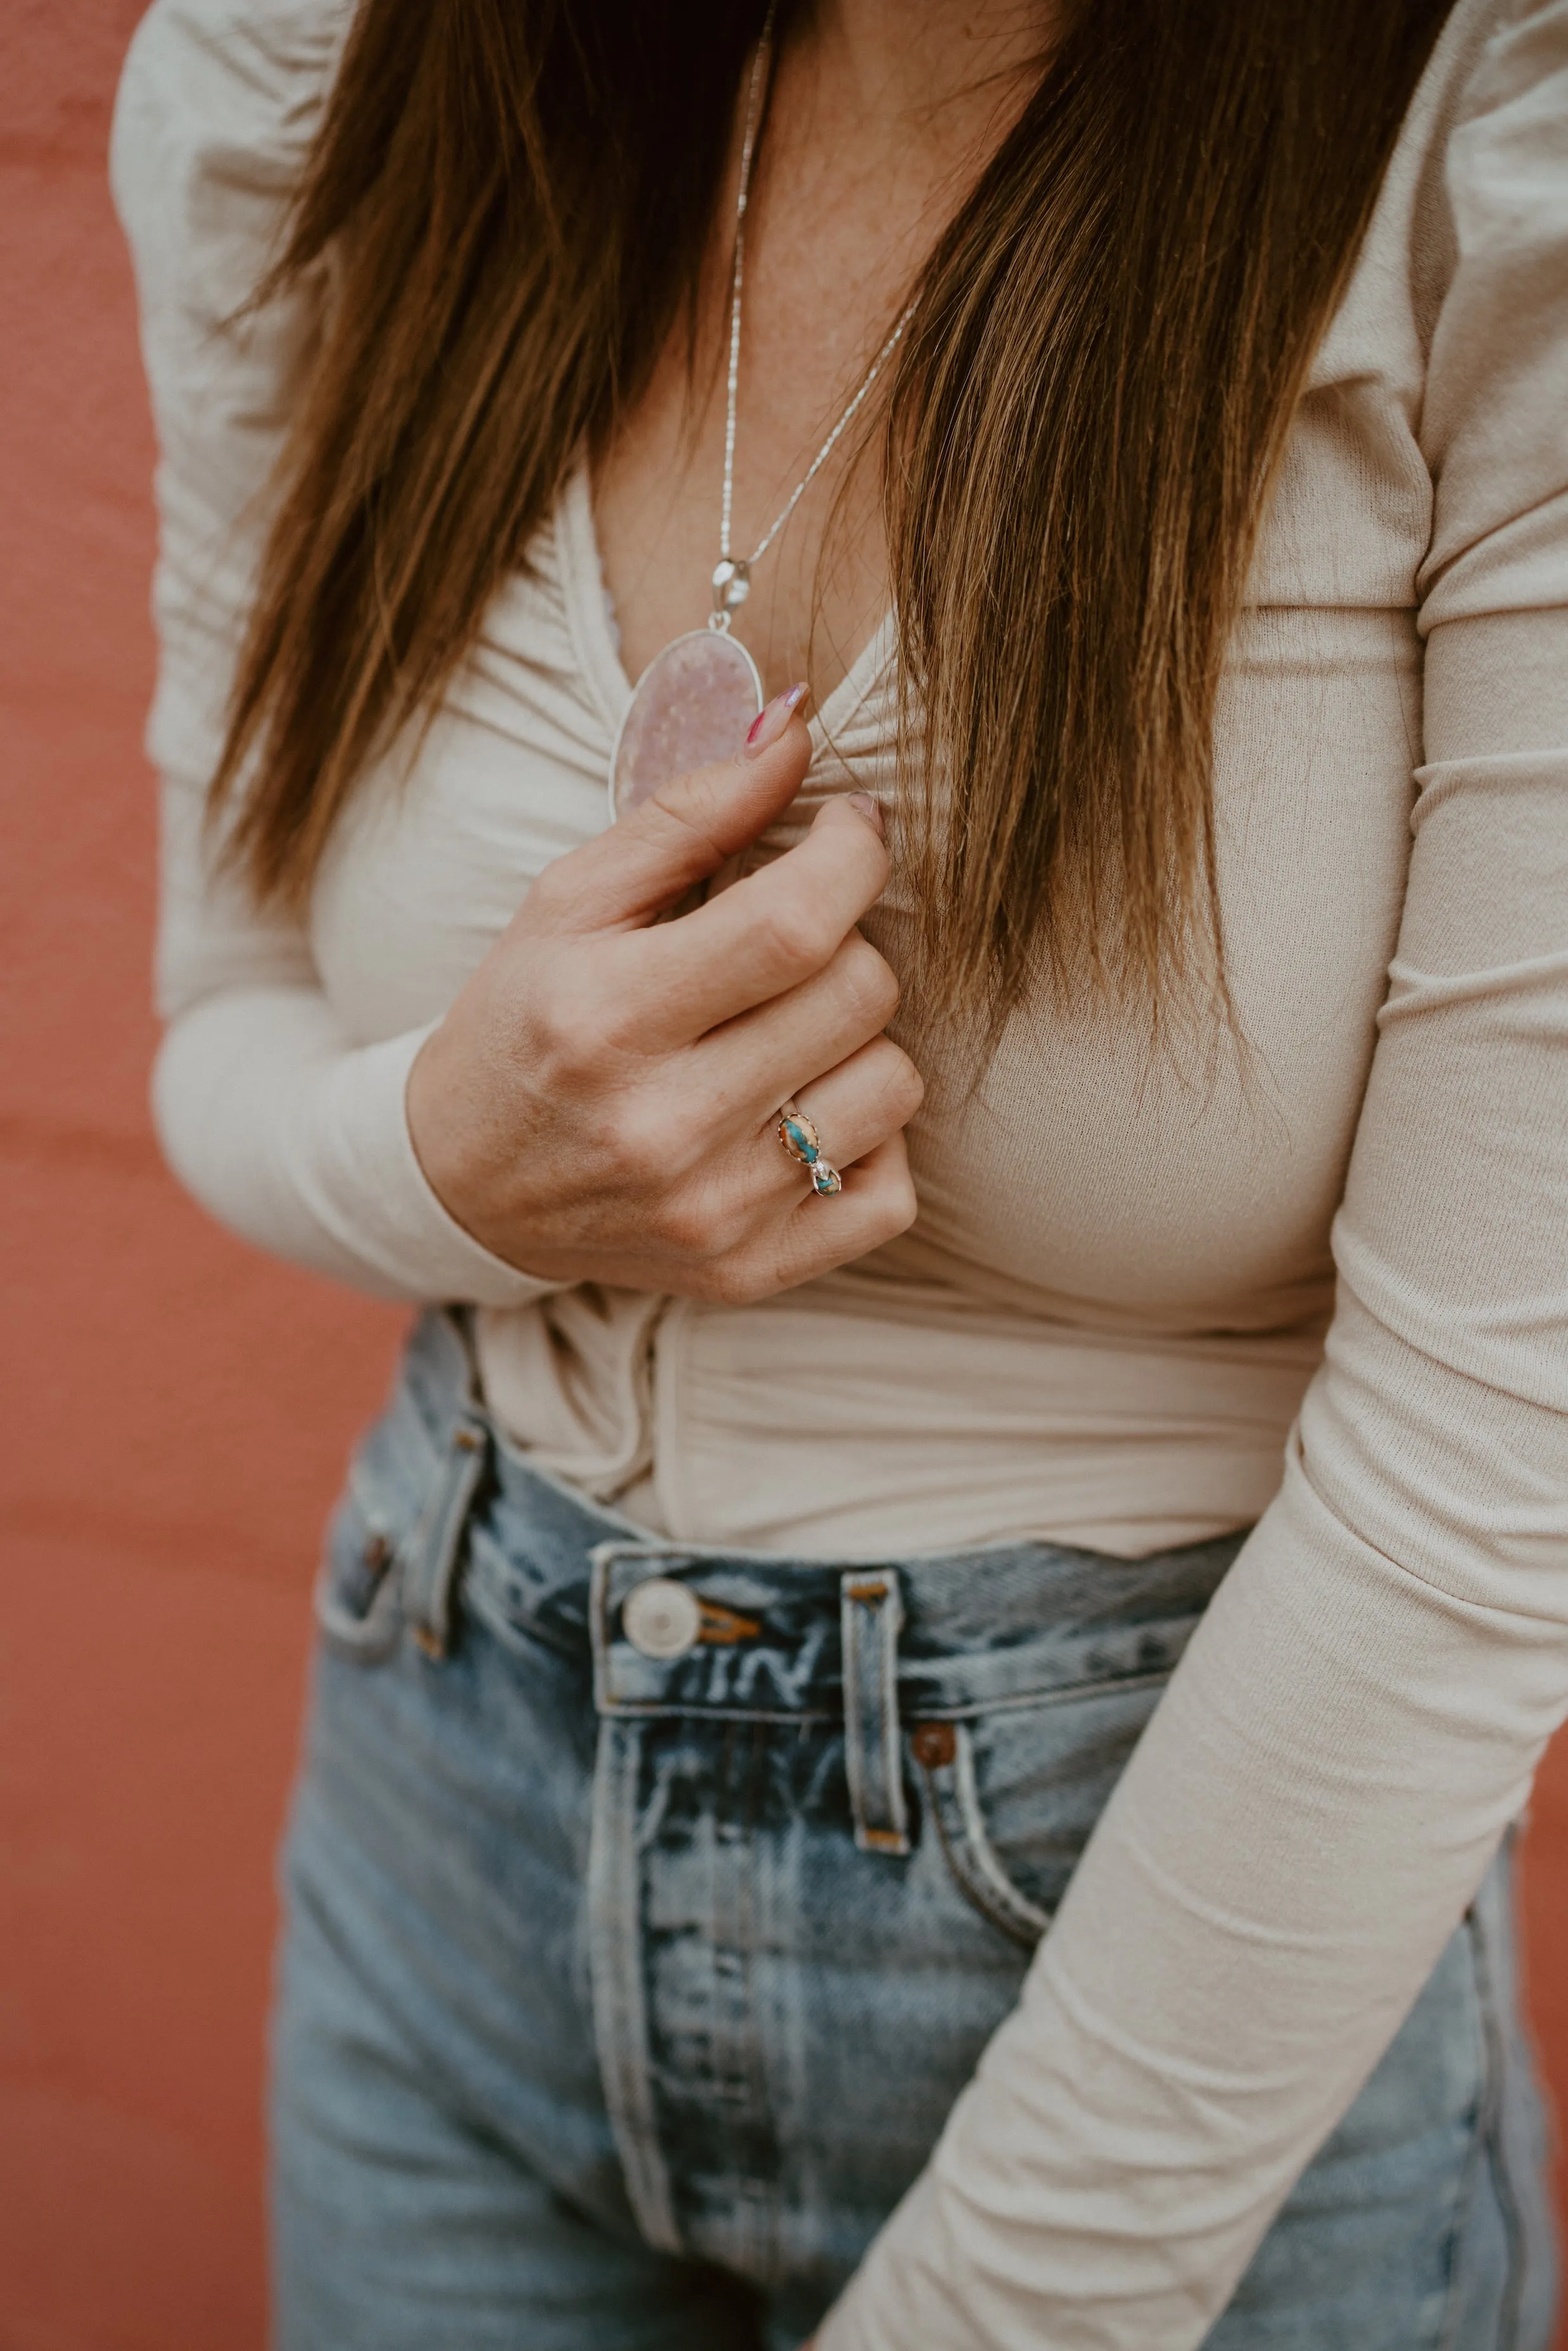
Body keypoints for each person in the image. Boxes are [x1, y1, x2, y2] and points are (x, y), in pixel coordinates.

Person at [111, 0, 1568, 2343]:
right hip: (443, 1826)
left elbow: (1500, 1462)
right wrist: (453, 1159)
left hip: (1172, 1962)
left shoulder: (1494, 131)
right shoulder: (341, 71)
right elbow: (223, 1011)